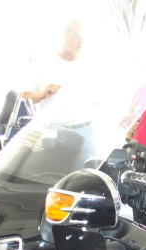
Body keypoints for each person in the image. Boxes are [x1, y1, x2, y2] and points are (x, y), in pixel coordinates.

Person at [20, 20, 98, 162]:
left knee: (85, 175)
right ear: (64, 35)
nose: (81, 41)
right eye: (77, 36)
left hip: (85, 134)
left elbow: (100, 99)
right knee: (50, 175)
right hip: (52, 134)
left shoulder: (90, 64)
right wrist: (41, 95)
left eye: (84, 37)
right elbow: (22, 98)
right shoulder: (42, 62)